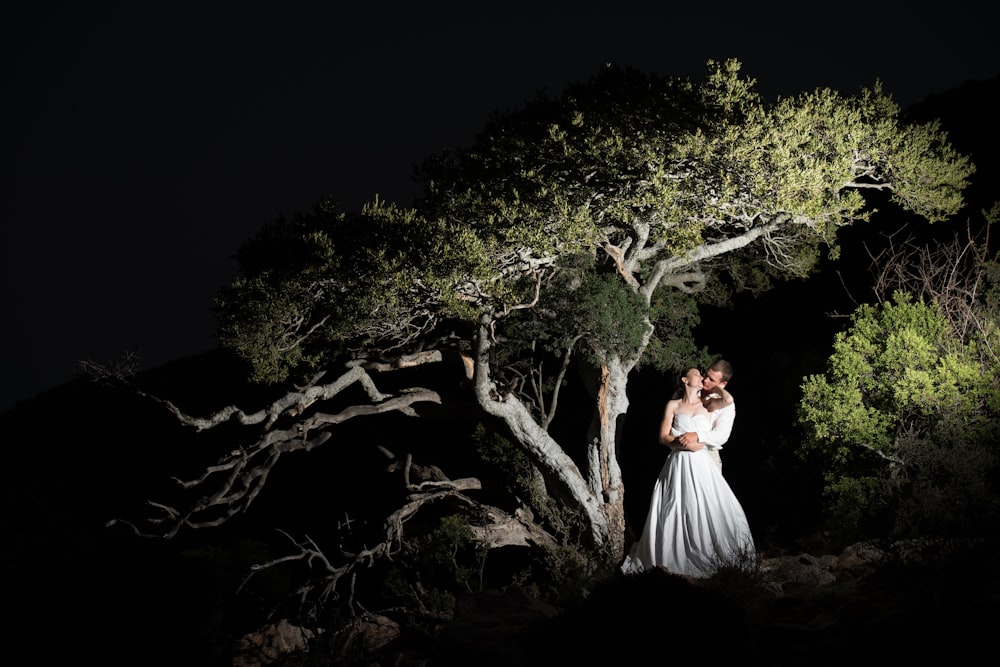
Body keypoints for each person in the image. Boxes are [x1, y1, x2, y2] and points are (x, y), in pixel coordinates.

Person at [620, 367, 755, 578]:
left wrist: (717, 386)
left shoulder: (707, 403)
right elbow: (663, 437)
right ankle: (673, 554)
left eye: (704, 375)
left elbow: (728, 401)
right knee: (676, 504)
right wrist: (683, 444)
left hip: (701, 462)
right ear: (684, 380)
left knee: (704, 505)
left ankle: (707, 550)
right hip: (679, 460)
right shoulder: (673, 405)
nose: (701, 377)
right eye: (696, 374)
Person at [677, 358, 735, 472]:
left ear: (723, 384)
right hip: (681, 453)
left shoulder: (725, 405)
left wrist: (697, 435)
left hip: (708, 456)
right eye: (705, 375)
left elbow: (722, 436)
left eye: (711, 380)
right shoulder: (687, 391)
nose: (705, 380)